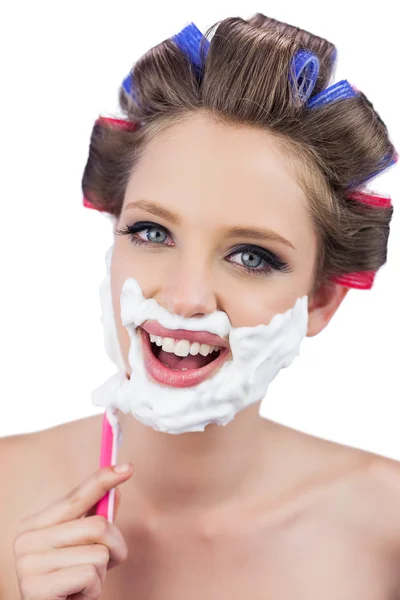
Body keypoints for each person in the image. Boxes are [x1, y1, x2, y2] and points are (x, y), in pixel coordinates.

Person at [1, 13, 399, 600]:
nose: (186, 298)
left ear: (320, 300)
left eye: (253, 256)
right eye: (153, 233)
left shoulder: (386, 534)